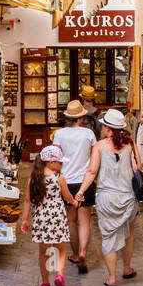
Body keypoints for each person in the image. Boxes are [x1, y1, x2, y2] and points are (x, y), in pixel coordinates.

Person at [74, 108, 141, 286]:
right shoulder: (130, 145)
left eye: (103, 126)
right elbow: (138, 169)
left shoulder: (99, 147)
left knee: (109, 237)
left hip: (107, 199)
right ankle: (126, 268)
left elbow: (91, 171)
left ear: (108, 129)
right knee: (128, 234)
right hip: (128, 198)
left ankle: (111, 278)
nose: (102, 128)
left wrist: (81, 191)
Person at [19, 144, 72, 286]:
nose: (61, 165)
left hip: (41, 218)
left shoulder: (34, 178)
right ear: (50, 162)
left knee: (44, 252)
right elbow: (67, 197)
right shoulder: (59, 178)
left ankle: (45, 283)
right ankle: (59, 276)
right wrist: (75, 201)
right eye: (59, 162)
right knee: (61, 250)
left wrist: (24, 220)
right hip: (57, 217)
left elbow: (28, 200)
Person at [52, 100, 97, 273]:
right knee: (85, 220)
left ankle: (76, 253)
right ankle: (84, 252)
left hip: (66, 181)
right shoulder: (88, 134)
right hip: (85, 182)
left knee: (70, 220)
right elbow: (94, 159)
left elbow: (55, 159)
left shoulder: (59, 134)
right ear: (81, 117)